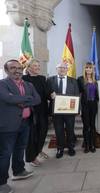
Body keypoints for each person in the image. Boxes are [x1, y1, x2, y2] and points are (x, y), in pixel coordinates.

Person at [0, 59, 41, 193]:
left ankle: (18, 171)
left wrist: (19, 100)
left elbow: (37, 99)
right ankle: (1, 183)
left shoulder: (28, 84)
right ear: (6, 70)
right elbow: (7, 98)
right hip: (8, 125)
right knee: (5, 154)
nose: (17, 70)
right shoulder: (2, 84)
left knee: (20, 148)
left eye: (19, 67)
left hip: (25, 122)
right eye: (13, 68)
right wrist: (26, 99)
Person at [47, 62, 79, 158]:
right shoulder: (50, 80)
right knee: (58, 130)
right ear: (57, 69)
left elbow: (77, 95)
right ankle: (60, 148)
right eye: (60, 67)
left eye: (64, 68)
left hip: (69, 111)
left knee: (70, 129)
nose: (62, 69)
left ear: (67, 70)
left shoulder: (73, 81)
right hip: (56, 111)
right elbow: (45, 93)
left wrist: (77, 109)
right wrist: (50, 96)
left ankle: (71, 147)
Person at [22, 59, 49, 167]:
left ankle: (38, 151)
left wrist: (52, 95)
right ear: (28, 68)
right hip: (30, 111)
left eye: (38, 65)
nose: (38, 67)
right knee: (31, 135)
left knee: (43, 132)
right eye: (35, 66)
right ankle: (31, 157)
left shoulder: (42, 78)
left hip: (42, 110)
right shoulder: (23, 79)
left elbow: (47, 92)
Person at [77, 62, 98, 153]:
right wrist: (79, 108)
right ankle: (86, 145)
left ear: (92, 69)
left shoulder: (95, 80)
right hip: (85, 106)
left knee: (93, 126)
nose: (88, 69)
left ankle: (92, 144)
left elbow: (97, 94)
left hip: (93, 105)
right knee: (86, 126)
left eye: (90, 68)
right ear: (85, 69)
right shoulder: (80, 79)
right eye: (87, 68)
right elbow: (78, 94)